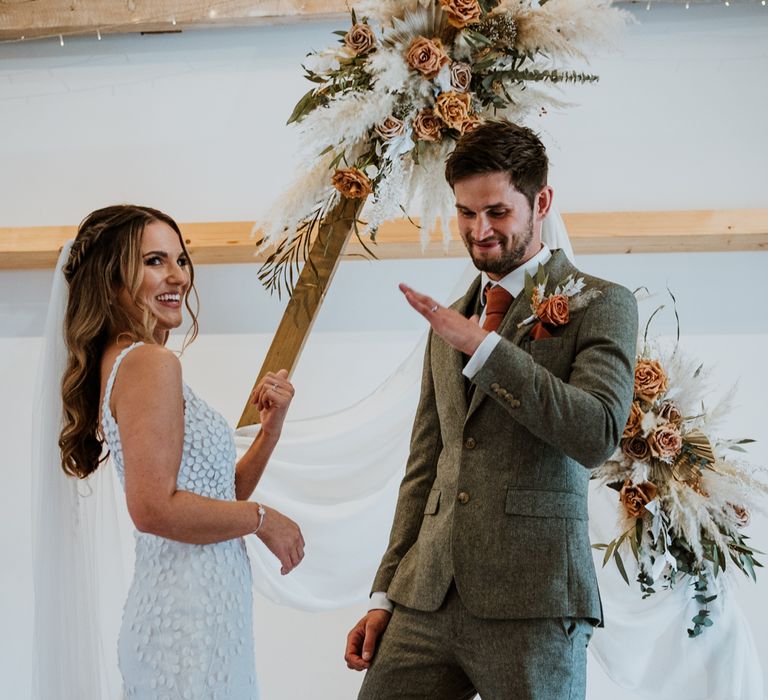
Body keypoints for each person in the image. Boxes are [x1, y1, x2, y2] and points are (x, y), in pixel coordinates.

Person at [344, 120, 638, 700]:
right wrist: (385, 593)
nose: (479, 231)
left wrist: (485, 349)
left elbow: (597, 432)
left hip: (534, 601)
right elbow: (425, 465)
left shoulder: (603, 304)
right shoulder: (450, 320)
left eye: (498, 213)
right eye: (465, 213)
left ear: (541, 202)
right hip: (425, 598)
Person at [56, 204, 304, 699]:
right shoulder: (150, 362)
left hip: (202, 615)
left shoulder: (131, 360)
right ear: (112, 280)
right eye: (153, 261)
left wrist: (268, 434)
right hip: (187, 627)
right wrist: (264, 518)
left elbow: (212, 496)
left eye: (181, 259)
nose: (177, 276)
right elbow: (153, 509)